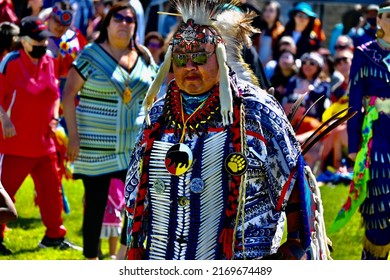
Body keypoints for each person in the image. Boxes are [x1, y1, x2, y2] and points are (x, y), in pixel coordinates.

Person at [124, 0, 330, 260]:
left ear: (220, 58)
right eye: (182, 57)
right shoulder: (158, 114)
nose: (190, 66)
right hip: (164, 255)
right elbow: (136, 191)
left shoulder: (256, 110)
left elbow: (294, 181)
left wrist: (293, 248)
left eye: (199, 57)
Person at [62, 1, 158, 260]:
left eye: (130, 19)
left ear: (135, 25)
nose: (125, 23)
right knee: (95, 203)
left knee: (137, 202)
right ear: (108, 23)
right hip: (95, 142)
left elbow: (156, 94)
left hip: (133, 144)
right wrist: (73, 135)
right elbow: (68, 95)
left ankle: (123, 255)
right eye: (119, 18)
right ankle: (92, 260)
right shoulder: (91, 54)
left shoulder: (144, 57)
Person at [0, 15, 80, 255]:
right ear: (23, 41)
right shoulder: (9, 63)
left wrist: (55, 115)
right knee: (4, 198)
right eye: (37, 41)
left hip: (45, 144)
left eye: (44, 40)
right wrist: (3, 117)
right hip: (14, 145)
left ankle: (54, 237)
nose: (43, 45)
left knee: (51, 194)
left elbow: (55, 92)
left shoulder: (49, 59)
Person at [331, 1, 390, 260]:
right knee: (379, 208)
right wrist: (353, 147)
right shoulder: (365, 53)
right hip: (377, 138)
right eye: (387, 16)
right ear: (379, 21)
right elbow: (355, 102)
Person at [99, 178, 125, 259]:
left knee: (115, 226)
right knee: (98, 225)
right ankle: (97, 251)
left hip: (118, 188)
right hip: (103, 184)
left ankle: (112, 252)